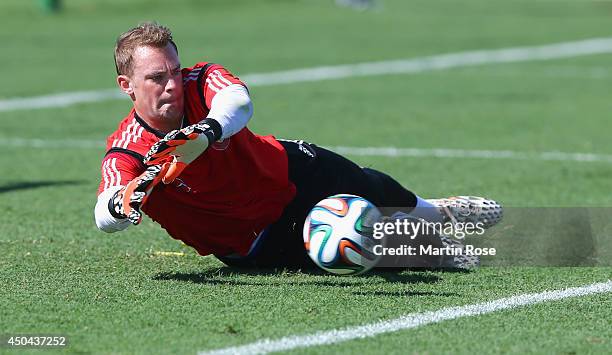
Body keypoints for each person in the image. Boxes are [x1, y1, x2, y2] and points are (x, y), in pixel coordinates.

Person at [95, 22, 501, 269]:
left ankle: (438, 212)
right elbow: (104, 212)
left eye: (173, 70)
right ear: (126, 86)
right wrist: (124, 202)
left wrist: (207, 133)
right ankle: (427, 251)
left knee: (366, 182)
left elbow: (238, 101)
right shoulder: (129, 149)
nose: (171, 84)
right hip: (254, 237)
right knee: (344, 246)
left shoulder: (199, 81)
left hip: (282, 166)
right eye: (155, 78)